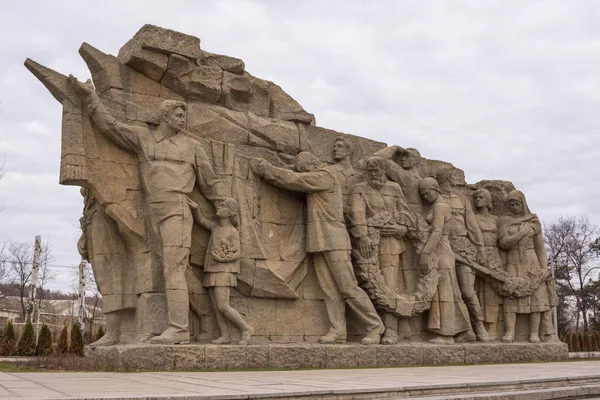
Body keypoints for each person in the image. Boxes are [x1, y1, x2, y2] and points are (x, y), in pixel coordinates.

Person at [69, 75, 228, 344]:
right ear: (164, 116)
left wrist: (224, 206)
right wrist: (90, 97)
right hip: (150, 212)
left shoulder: (193, 147)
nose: (182, 119)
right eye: (178, 114)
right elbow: (111, 128)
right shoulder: (144, 138)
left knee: (173, 268)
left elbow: (210, 182)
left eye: (184, 115)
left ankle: (179, 328)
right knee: (170, 269)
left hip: (177, 209)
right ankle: (205, 315)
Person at [250, 151, 384, 345]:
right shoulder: (318, 175)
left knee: (348, 287)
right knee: (329, 290)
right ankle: (338, 330)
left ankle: (375, 326)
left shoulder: (325, 175)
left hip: (335, 240)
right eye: (297, 167)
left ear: (310, 163)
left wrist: (266, 168)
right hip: (319, 241)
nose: (298, 169)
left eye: (300, 166)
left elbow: (294, 180)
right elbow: (296, 176)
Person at [348, 156, 412, 344]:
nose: (373, 174)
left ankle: (391, 330)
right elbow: (356, 214)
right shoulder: (359, 189)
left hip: (391, 243)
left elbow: (406, 215)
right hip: (367, 244)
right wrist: (363, 237)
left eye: (377, 170)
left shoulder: (395, 189)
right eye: (370, 170)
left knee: (388, 286)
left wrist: (402, 230)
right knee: (367, 284)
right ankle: (373, 328)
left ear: (384, 171)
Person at [436, 167, 489, 342]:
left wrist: (480, 248)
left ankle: (478, 325)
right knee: (448, 292)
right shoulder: (435, 198)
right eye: (452, 178)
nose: (455, 182)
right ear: (446, 179)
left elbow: (472, 226)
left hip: (462, 247)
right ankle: (461, 331)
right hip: (443, 246)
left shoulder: (463, 200)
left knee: (467, 291)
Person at [418, 177, 471, 344]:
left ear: (436, 189)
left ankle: (447, 334)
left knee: (445, 293)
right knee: (450, 292)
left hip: (441, 250)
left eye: (427, 192)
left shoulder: (440, 206)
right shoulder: (437, 205)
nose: (425, 196)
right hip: (440, 250)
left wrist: (425, 253)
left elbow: (437, 231)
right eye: (423, 194)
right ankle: (466, 331)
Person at [194, 198, 254, 345]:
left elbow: (237, 253)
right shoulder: (215, 228)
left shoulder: (233, 231)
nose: (219, 207)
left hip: (224, 270)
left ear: (230, 212)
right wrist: (195, 208)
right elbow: (201, 220)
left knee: (223, 305)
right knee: (216, 306)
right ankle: (225, 334)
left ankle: (246, 329)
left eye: (223, 206)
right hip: (213, 269)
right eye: (219, 205)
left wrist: (222, 260)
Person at [498, 190, 550, 343]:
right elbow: (503, 243)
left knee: (537, 296)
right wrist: (520, 234)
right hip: (513, 261)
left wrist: (544, 268)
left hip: (532, 260)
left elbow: (540, 247)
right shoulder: (503, 220)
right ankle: (510, 332)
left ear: (523, 203)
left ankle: (534, 333)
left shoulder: (533, 220)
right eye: (511, 204)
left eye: (517, 204)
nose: (514, 207)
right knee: (511, 294)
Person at [472, 188, 503, 340]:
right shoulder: (473, 218)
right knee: (479, 292)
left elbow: (502, 240)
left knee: (493, 293)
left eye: (481, 197)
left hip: (495, 255)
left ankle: (493, 327)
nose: (478, 199)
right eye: (476, 197)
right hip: (479, 255)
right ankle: (481, 326)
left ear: (488, 200)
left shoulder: (496, 219)